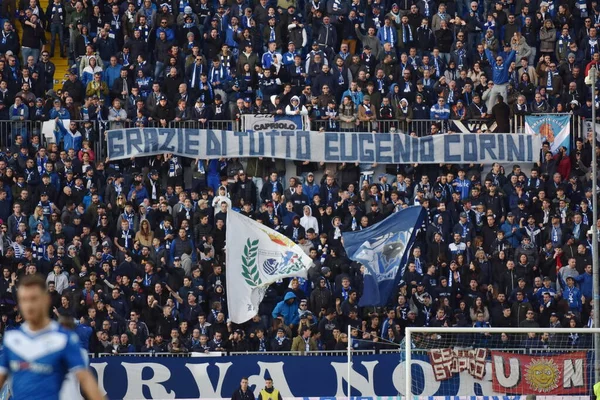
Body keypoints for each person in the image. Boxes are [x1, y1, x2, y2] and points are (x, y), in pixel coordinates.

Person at [0, 274, 104, 400]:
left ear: (46, 300)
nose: (29, 305)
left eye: (34, 299)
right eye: (23, 300)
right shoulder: (11, 340)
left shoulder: (64, 339)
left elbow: (86, 380)